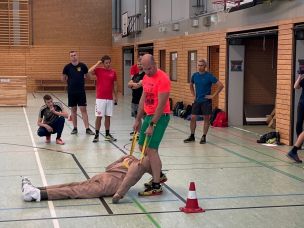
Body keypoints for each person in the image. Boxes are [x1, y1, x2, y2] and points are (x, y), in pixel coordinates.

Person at [21, 155, 152, 204]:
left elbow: (112, 171)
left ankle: (36, 192)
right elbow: (121, 177)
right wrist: (118, 195)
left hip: (104, 181)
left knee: (72, 188)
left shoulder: (134, 163)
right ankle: (35, 191)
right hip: (105, 181)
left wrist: (122, 159)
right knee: (73, 188)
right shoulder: (135, 163)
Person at [133, 54, 170, 196]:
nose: (147, 72)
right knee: (142, 146)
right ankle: (159, 174)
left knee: (152, 149)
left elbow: (161, 105)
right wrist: (137, 119)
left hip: (160, 117)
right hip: (148, 116)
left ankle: (156, 185)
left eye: (149, 68)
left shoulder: (163, 79)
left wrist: (152, 124)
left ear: (154, 64)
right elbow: (143, 98)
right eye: (144, 68)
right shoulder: (146, 77)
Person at [184, 59, 224, 144]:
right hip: (197, 100)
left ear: (205, 66)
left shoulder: (209, 76)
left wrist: (213, 95)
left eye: (201, 65)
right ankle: (192, 135)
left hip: (206, 101)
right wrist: (193, 95)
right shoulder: (194, 75)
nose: (199, 67)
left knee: (206, 119)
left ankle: (204, 136)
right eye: (198, 65)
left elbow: (221, 85)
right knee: (193, 118)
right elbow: (191, 85)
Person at [62, 51, 95, 135]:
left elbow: (89, 77)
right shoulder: (67, 67)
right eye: (72, 55)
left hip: (81, 92)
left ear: (77, 56)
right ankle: (75, 128)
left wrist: (83, 77)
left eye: (75, 55)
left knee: (83, 110)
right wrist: (66, 79)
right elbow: (63, 78)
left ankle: (87, 128)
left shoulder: (83, 66)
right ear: (70, 57)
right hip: (71, 92)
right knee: (73, 110)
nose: (73, 57)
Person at [88, 55, 118, 143]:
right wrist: (98, 63)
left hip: (109, 98)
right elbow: (89, 71)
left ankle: (107, 134)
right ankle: (97, 135)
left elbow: (115, 85)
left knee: (108, 117)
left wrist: (115, 96)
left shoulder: (113, 72)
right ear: (103, 63)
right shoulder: (99, 70)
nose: (108, 64)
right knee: (99, 117)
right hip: (100, 98)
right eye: (106, 63)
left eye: (109, 62)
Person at [128, 58, 145, 139]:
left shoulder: (145, 75)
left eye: (141, 64)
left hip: (142, 100)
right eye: (138, 64)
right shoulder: (135, 75)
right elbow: (129, 84)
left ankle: (145, 132)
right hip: (134, 100)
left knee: (144, 117)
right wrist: (135, 84)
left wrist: (134, 85)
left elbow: (138, 85)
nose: (139, 65)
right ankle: (138, 133)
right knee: (136, 117)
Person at [294, 72, 304, 137]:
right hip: (302, 104)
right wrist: (300, 76)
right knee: (299, 123)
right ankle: (299, 142)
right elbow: (296, 86)